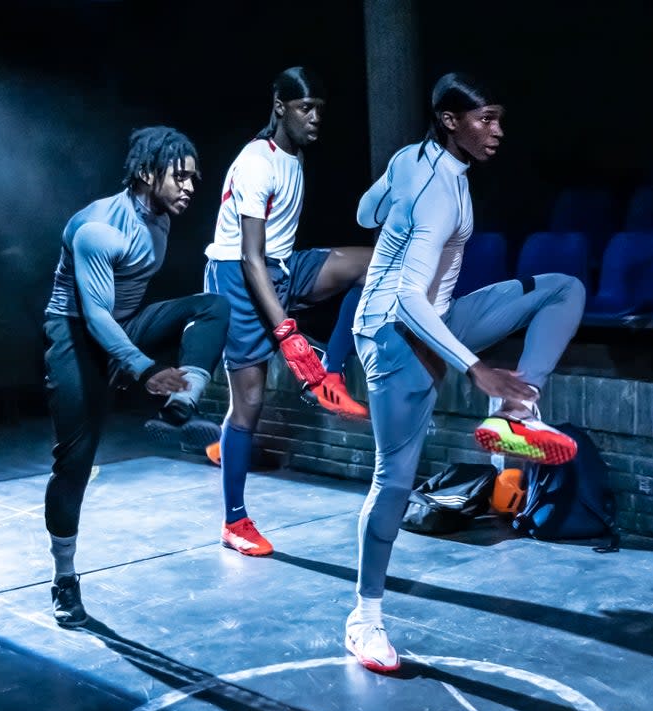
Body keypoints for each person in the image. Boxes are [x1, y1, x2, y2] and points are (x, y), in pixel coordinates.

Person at [344, 73, 586, 671]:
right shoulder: (435, 193)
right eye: (486, 119)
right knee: (395, 482)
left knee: (561, 289)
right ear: (451, 121)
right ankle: (365, 619)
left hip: (438, 315)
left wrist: (392, 204)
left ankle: (515, 412)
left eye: (500, 118)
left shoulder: (416, 162)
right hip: (392, 335)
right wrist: (477, 368)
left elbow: (363, 211)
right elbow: (403, 296)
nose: (497, 131)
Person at [42, 126, 229, 627]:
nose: (191, 188)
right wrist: (141, 366)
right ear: (148, 174)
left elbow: (124, 314)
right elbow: (97, 315)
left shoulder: (161, 217)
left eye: (195, 178)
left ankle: (182, 403)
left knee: (211, 306)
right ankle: (64, 578)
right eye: (181, 177)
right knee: (75, 460)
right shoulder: (98, 228)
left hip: (123, 325)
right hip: (77, 334)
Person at [203, 66, 372, 557]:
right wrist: (287, 332)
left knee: (370, 264)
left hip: (281, 266)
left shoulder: (294, 158)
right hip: (237, 277)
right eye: (305, 109)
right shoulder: (257, 162)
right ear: (281, 108)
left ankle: (329, 377)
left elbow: (272, 255)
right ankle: (234, 521)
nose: (315, 118)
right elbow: (249, 257)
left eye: (320, 109)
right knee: (248, 404)